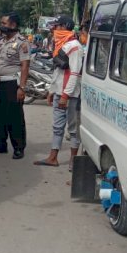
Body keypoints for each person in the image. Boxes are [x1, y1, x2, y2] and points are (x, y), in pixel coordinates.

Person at [34, 15, 84, 170]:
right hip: (58, 91)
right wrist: (52, 90)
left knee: (73, 128)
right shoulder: (61, 45)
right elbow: (58, 71)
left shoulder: (75, 46)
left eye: (58, 26)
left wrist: (65, 95)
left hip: (70, 95)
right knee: (57, 126)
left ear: (64, 27)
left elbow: (74, 73)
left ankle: (73, 160)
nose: (55, 29)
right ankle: (53, 157)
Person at [0, 12, 30, 159]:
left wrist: (21, 88)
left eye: (4, 23)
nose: (1, 26)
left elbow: (25, 66)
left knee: (14, 117)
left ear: (13, 25)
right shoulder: (2, 42)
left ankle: (18, 148)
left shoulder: (22, 42)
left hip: (12, 84)